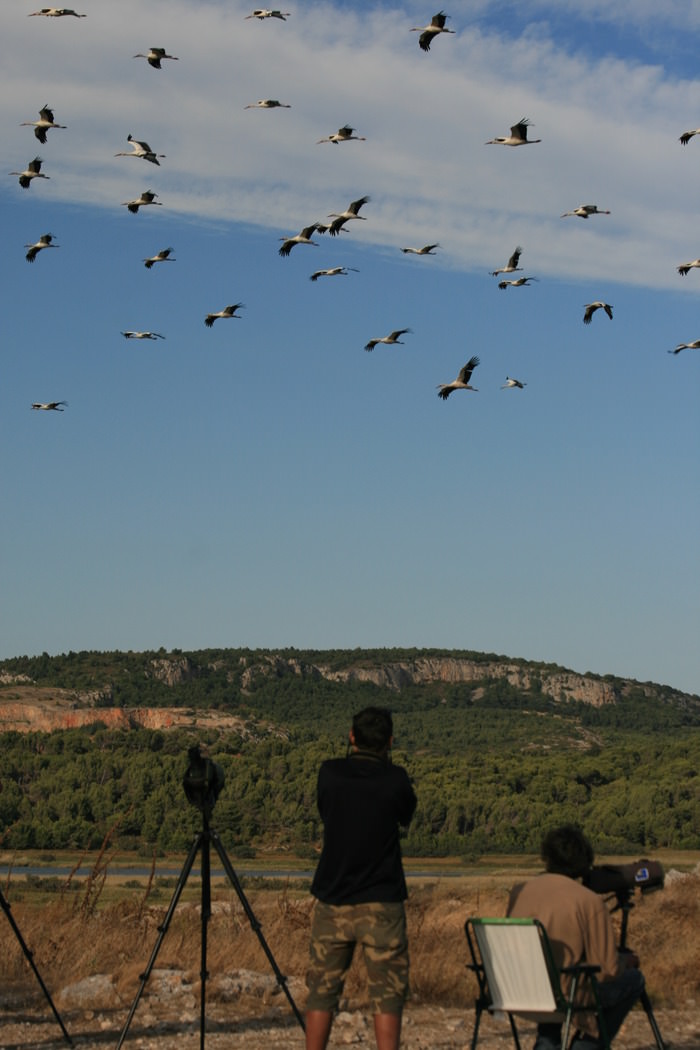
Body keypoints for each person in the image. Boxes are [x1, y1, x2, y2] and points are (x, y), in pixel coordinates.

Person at [305, 706, 417, 1050]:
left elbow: (326, 811)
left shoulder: (330, 773)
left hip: (334, 897)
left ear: (351, 737)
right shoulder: (396, 779)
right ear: (390, 741)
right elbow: (405, 816)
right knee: (387, 992)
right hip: (382, 899)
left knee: (322, 990)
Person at [507, 824, 645, 1050]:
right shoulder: (589, 902)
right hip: (564, 994)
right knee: (634, 980)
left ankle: (547, 1043)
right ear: (584, 861)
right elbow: (607, 970)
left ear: (548, 856)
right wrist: (626, 961)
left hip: (519, 990)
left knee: (556, 976)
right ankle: (586, 1045)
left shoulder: (520, 891)